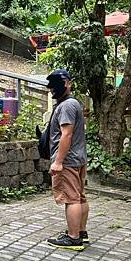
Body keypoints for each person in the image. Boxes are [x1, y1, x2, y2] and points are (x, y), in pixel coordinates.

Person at [45, 69, 88, 251]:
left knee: (71, 199)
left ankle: (73, 238)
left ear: (68, 83)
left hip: (68, 160)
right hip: (78, 158)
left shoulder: (66, 106)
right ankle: (81, 232)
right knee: (79, 197)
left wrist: (58, 162)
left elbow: (66, 134)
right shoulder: (72, 103)